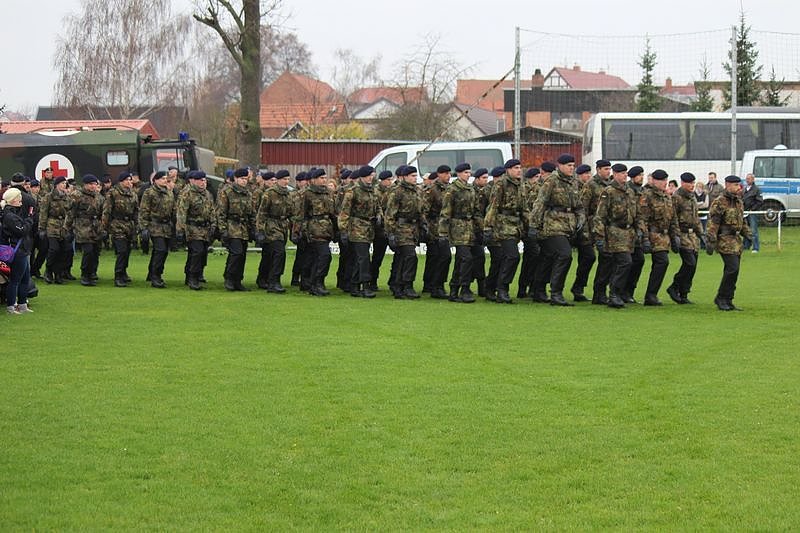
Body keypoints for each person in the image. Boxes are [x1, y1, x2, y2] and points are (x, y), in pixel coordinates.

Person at [530, 153, 585, 306]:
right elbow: (540, 203)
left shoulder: (573, 182)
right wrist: (533, 226)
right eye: (569, 165)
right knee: (565, 255)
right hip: (552, 225)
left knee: (547, 258)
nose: (571, 168)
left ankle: (538, 290)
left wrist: (580, 220)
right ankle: (556, 293)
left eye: (573, 166)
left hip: (568, 226)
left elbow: (578, 206)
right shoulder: (551, 181)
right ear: (560, 165)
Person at [593, 163, 642, 308]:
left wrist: (639, 230)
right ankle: (614, 294)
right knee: (624, 262)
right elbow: (600, 216)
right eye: (621, 173)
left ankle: (616, 293)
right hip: (614, 233)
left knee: (620, 264)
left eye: (626, 173)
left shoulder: (630, 191)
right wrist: (600, 237)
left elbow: (637, 213)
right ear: (615, 174)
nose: (625, 175)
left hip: (628, 234)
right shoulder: (608, 191)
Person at [706, 175, 753, 311]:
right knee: (732, 268)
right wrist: (711, 240)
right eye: (736, 185)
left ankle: (728, 299)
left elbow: (741, 221)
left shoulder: (739, 201)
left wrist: (748, 234)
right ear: (728, 185)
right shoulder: (719, 202)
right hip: (724, 240)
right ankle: (721, 298)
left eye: (739, 185)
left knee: (734, 270)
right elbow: (713, 223)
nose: (739, 188)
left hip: (736, 241)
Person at [483, 159, 524, 304]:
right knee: (512, 256)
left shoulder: (520, 185)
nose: (519, 170)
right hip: (502, 225)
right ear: (508, 169)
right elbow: (493, 207)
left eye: (520, 167)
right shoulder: (501, 184)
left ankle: (490, 287)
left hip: (515, 225)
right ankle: (502, 289)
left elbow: (523, 208)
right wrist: (488, 227)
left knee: (502, 259)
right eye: (515, 168)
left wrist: (530, 226)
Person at [638, 169, 680, 306]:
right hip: (652, 234)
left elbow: (673, 219)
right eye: (662, 181)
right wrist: (644, 238)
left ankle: (651, 295)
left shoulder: (667, 197)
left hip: (664, 235)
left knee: (661, 263)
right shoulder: (647, 196)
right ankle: (650, 295)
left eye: (666, 181)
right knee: (662, 261)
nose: (664, 183)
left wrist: (675, 237)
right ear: (654, 181)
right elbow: (642, 219)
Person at [338, 165, 381, 298]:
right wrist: (343, 230)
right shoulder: (353, 191)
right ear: (362, 176)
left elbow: (378, 206)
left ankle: (354, 285)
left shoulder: (374, 191)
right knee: (363, 257)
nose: (371, 178)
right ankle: (365, 285)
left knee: (359, 258)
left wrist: (379, 216)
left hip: (369, 227)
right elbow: (345, 212)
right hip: (356, 227)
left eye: (372, 175)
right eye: (369, 175)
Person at [439, 162, 479, 303]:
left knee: (461, 260)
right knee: (466, 258)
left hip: (469, 227)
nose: (469, 175)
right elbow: (445, 212)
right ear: (459, 173)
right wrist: (443, 233)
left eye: (469, 172)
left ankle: (454, 289)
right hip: (457, 228)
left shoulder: (471, 189)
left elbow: (475, 211)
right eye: (466, 172)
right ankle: (464, 288)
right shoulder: (452, 189)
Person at [384, 165, 424, 299]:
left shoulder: (417, 191)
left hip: (413, 228)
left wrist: (423, 225)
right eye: (412, 176)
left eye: (415, 176)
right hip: (401, 228)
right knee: (410, 256)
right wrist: (391, 233)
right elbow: (390, 214)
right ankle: (407, 285)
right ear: (405, 177)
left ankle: (398, 285)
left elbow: (420, 210)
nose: (414, 178)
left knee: (402, 258)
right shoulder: (397, 191)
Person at [667, 172, 704, 304]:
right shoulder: (676, 198)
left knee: (692, 266)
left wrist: (701, 233)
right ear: (683, 183)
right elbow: (673, 218)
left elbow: (696, 217)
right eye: (690, 183)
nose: (692, 185)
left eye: (693, 183)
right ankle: (674, 287)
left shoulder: (692, 197)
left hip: (692, 236)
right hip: (682, 234)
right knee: (689, 263)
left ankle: (684, 293)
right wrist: (675, 236)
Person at [176, 170, 216, 290]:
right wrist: (180, 229)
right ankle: (192, 278)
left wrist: (214, 225)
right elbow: (182, 212)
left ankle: (193, 275)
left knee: (202, 252)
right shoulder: (187, 193)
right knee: (197, 252)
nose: (203, 183)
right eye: (200, 180)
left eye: (204, 180)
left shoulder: (207, 194)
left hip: (205, 228)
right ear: (195, 181)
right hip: (192, 227)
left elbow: (212, 210)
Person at [255, 169, 293, 293]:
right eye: (284, 179)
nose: (286, 182)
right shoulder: (269, 193)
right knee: (279, 253)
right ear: (278, 180)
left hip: (283, 226)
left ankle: (263, 278)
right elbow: (262, 213)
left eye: (288, 179)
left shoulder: (288, 194)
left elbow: (291, 212)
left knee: (270, 255)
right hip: (271, 226)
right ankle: (273, 281)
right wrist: (260, 230)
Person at [581, 159, 613, 304]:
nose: (608, 171)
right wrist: (585, 230)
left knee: (607, 259)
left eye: (609, 169)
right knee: (590, 257)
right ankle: (583, 288)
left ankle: (600, 292)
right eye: (605, 169)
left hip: (607, 228)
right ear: (598, 170)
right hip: (592, 226)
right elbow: (583, 208)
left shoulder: (610, 185)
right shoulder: (590, 185)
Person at [218, 168, 255, 291]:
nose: (244, 181)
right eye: (242, 179)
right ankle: (229, 278)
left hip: (243, 228)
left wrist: (253, 229)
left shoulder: (248, 193)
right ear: (236, 179)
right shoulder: (227, 192)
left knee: (242, 255)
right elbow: (221, 213)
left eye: (246, 179)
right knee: (236, 253)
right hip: (232, 226)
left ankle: (238, 280)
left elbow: (252, 213)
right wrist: (223, 230)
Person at [301, 168, 336, 296]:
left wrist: (337, 230)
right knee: (324, 255)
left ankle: (316, 283)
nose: (324, 180)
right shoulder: (307, 194)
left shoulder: (329, 193)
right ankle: (316, 282)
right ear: (314, 179)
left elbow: (334, 213)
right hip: (314, 228)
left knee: (320, 257)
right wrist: (302, 231)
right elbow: (301, 214)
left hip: (327, 228)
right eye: (321, 178)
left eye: (325, 178)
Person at [102, 172, 139, 287]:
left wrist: (138, 225)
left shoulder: (133, 194)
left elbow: (136, 211)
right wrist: (105, 227)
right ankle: (118, 275)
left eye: (131, 180)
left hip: (129, 225)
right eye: (127, 180)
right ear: (121, 181)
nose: (130, 182)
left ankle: (123, 272)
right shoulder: (113, 193)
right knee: (121, 250)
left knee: (127, 251)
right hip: (117, 224)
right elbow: (107, 210)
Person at [138, 171, 175, 288]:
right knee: (160, 250)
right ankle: (156, 276)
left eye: (166, 178)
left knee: (162, 252)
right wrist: (144, 227)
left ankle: (152, 273)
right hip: (154, 225)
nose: (165, 180)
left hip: (166, 226)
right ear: (156, 180)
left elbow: (173, 209)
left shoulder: (169, 193)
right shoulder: (149, 193)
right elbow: (144, 211)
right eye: (163, 178)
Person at [67, 174, 105, 286]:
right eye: (91, 184)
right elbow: (70, 213)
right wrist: (67, 228)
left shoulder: (99, 197)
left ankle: (92, 273)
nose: (94, 186)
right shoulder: (77, 196)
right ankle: (84, 274)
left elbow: (104, 212)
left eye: (95, 184)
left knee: (95, 251)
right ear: (85, 184)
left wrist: (104, 227)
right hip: (83, 227)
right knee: (88, 251)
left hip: (96, 227)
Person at [1, 188, 35, 313]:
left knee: (25, 279)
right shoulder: (9, 216)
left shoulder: (14, 213)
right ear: (14, 199)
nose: (21, 199)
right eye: (19, 196)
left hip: (22, 249)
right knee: (15, 279)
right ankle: (11, 306)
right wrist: (29, 220)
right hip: (17, 250)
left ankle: (22, 304)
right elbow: (21, 231)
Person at [422, 164, 451, 298]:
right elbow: (425, 211)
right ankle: (431, 285)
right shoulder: (432, 189)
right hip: (434, 227)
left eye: (449, 173)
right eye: (445, 173)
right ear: (438, 174)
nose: (448, 176)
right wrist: (426, 227)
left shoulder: (450, 189)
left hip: (445, 228)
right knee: (434, 257)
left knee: (444, 257)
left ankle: (438, 284)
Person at [38, 175, 72, 284]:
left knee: (64, 250)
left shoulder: (67, 197)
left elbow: (69, 213)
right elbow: (43, 213)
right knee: (54, 249)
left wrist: (69, 228)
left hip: (63, 227)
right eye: (62, 183)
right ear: (57, 185)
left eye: (65, 183)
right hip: (52, 225)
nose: (64, 185)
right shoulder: (49, 197)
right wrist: (42, 229)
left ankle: (58, 274)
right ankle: (48, 270)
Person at [570, 164, 595, 301]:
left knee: (589, 257)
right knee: (562, 258)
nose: (588, 176)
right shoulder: (573, 187)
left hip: (585, 229)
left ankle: (578, 287)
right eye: (585, 174)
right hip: (569, 226)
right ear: (579, 175)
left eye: (589, 173)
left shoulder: (591, 187)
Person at [622, 166, 646, 303]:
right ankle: (620, 291)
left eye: (642, 174)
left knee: (639, 260)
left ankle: (629, 291)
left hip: (637, 232)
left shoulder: (642, 191)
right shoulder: (628, 190)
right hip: (625, 232)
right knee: (626, 262)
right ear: (633, 177)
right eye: (639, 175)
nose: (641, 177)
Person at [482, 167, 505, 301]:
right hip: (490, 229)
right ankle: (489, 287)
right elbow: (481, 211)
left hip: (503, 229)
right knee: (497, 259)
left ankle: (495, 287)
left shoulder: (503, 188)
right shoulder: (486, 191)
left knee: (503, 259)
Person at [369, 170, 394, 291]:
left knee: (400, 254)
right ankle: (372, 280)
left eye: (391, 179)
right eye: (388, 180)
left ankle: (394, 280)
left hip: (391, 227)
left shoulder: (393, 191)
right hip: (379, 229)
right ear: (382, 180)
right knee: (378, 257)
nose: (390, 182)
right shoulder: (375, 192)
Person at [470, 168, 490, 297]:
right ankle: (467, 284)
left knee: (479, 258)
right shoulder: (471, 191)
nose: (486, 180)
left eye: (487, 178)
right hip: (470, 229)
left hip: (480, 229)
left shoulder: (485, 192)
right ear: (477, 179)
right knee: (471, 258)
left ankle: (481, 285)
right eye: (483, 178)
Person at [742, 172, 762, 253]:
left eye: (749, 179)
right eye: (746, 179)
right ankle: (746, 246)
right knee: (745, 230)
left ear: (753, 179)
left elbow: (760, 201)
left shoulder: (756, 189)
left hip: (752, 213)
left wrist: (752, 209)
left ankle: (755, 247)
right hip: (744, 212)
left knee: (753, 231)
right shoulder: (744, 189)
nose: (747, 180)